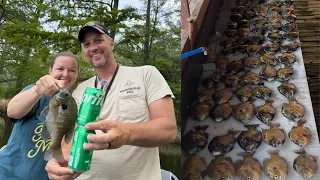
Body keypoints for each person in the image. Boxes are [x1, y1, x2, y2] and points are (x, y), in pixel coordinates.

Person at [46, 21, 177, 180]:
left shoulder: (146, 74)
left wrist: (127, 133)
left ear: (112, 44)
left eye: (98, 40)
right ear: (83, 52)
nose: (93, 47)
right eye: (86, 44)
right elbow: (70, 138)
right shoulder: (80, 90)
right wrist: (60, 163)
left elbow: (169, 130)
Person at [0, 52, 79, 179]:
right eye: (60, 69)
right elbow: (12, 111)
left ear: (76, 74)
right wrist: (37, 90)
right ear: (50, 71)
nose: (65, 74)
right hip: (8, 173)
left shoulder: (74, 104)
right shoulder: (36, 93)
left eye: (72, 70)